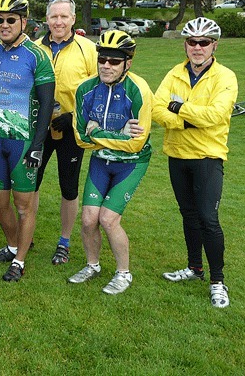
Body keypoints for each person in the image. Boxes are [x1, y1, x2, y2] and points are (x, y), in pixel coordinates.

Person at [153, 17, 237, 308]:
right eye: (192, 42)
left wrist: (177, 109)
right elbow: (155, 108)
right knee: (188, 215)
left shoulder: (225, 77)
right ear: (185, 45)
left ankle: (218, 281)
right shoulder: (175, 73)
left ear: (214, 44)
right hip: (177, 154)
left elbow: (215, 115)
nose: (197, 47)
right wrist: (187, 121)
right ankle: (194, 268)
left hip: (207, 157)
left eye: (204, 42)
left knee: (208, 219)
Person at [68, 30, 152, 295]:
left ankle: (123, 274)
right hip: (101, 161)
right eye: (102, 59)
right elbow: (80, 138)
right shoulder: (85, 89)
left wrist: (97, 132)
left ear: (128, 63)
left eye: (114, 61)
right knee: (88, 219)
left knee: (108, 219)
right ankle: (93, 266)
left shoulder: (139, 90)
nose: (106, 65)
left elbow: (136, 143)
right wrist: (115, 135)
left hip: (132, 162)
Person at [0, 0, 55, 281]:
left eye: (11, 19)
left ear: (23, 21)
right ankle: (12, 246)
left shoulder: (37, 56)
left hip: (25, 143)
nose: (5, 24)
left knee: (24, 206)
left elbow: (47, 104)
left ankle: (20, 261)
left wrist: (38, 146)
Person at [34, 0, 98, 266]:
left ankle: (64, 242)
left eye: (64, 17)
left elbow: (99, 90)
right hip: (38, 126)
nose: (58, 22)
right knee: (29, 184)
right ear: (46, 19)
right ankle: (25, 234)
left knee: (68, 187)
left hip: (71, 128)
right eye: (53, 16)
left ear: (73, 19)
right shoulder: (35, 47)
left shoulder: (88, 49)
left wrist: (73, 116)